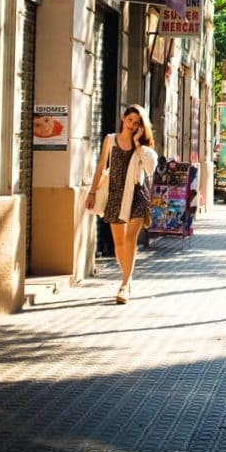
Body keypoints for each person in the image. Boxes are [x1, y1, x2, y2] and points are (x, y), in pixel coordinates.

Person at [86, 104, 158, 304]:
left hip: (137, 194)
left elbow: (151, 168)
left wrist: (137, 143)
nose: (132, 125)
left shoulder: (142, 146)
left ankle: (125, 285)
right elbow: (101, 166)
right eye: (130, 121)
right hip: (115, 194)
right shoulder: (110, 140)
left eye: (136, 123)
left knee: (129, 240)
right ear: (122, 119)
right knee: (118, 243)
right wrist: (92, 192)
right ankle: (127, 275)